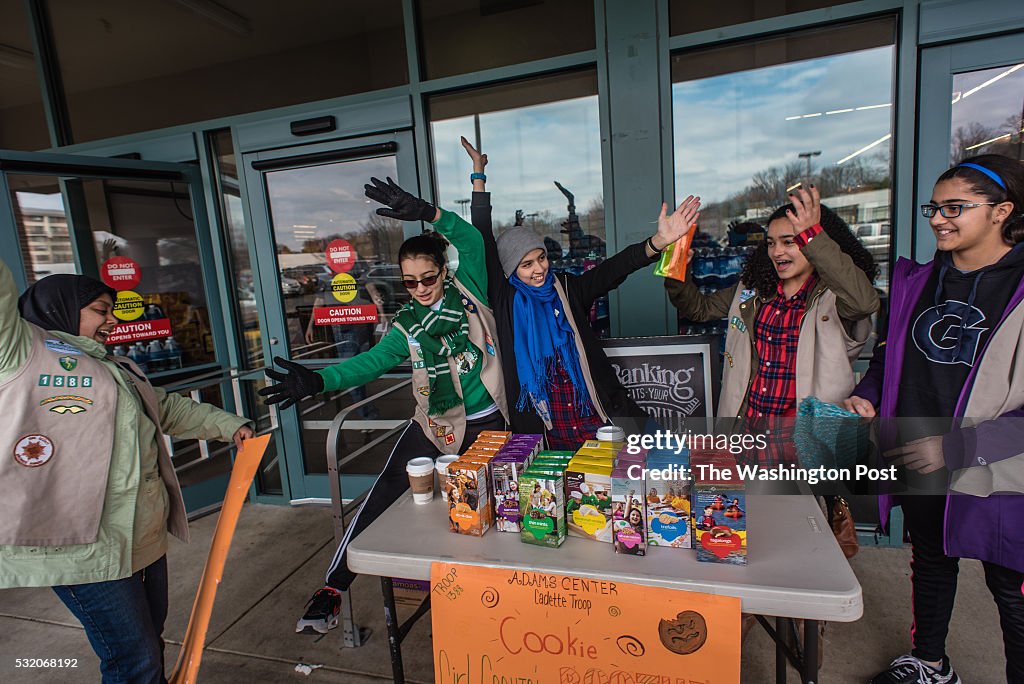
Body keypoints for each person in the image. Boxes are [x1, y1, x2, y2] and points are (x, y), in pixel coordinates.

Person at [0, 260, 253, 684]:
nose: (113, 320)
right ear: (61, 308)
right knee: (134, 661)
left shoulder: (113, 367)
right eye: (101, 310)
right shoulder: (20, 351)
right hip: (82, 549)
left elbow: (166, 407)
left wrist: (230, 427)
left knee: (147, 647)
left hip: (141, 537)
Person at [367, 138, 700, 448]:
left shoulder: (568, 289)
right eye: (526, 264)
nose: (539, 269)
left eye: (541, 258)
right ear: (512, 270)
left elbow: (614, 269)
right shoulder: (503, 299)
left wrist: (658, 242)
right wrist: (477, 177)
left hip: (597, 420)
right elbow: (481, 234)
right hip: (545, 429)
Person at [260, 221, 509, 634]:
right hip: (435, 425)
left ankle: (494, 597)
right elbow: (370, 362)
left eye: (428, 278)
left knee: (493, 509)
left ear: (444, 272)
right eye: (410, 282)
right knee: (384, 491)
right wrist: (320, 381)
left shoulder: (469, 294)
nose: (421, 288)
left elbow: (472, 240)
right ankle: (333, 588)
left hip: (487, 423)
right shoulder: (406, 326)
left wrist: (434, 212)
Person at [843, 154, 1024, 684]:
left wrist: (957, 449)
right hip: (917, 452)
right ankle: (930, 664)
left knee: (1012, 592)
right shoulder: (917, 281)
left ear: (1001, 211)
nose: (939, 219)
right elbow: (885, 360)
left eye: (955, 208)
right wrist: (868, 396)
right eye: (934, 208)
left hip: (999, 468)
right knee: (931, 563)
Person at [666, 187, 878, 466]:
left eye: (790, 241)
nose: (777, 251)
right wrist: (675, 263)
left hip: (803, 447)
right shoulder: (752, 291)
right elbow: (698, 309)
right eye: (771, 243)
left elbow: (864, 302)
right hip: (746, 437)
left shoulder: (835, 299)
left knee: (806, 511)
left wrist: (813, 236)